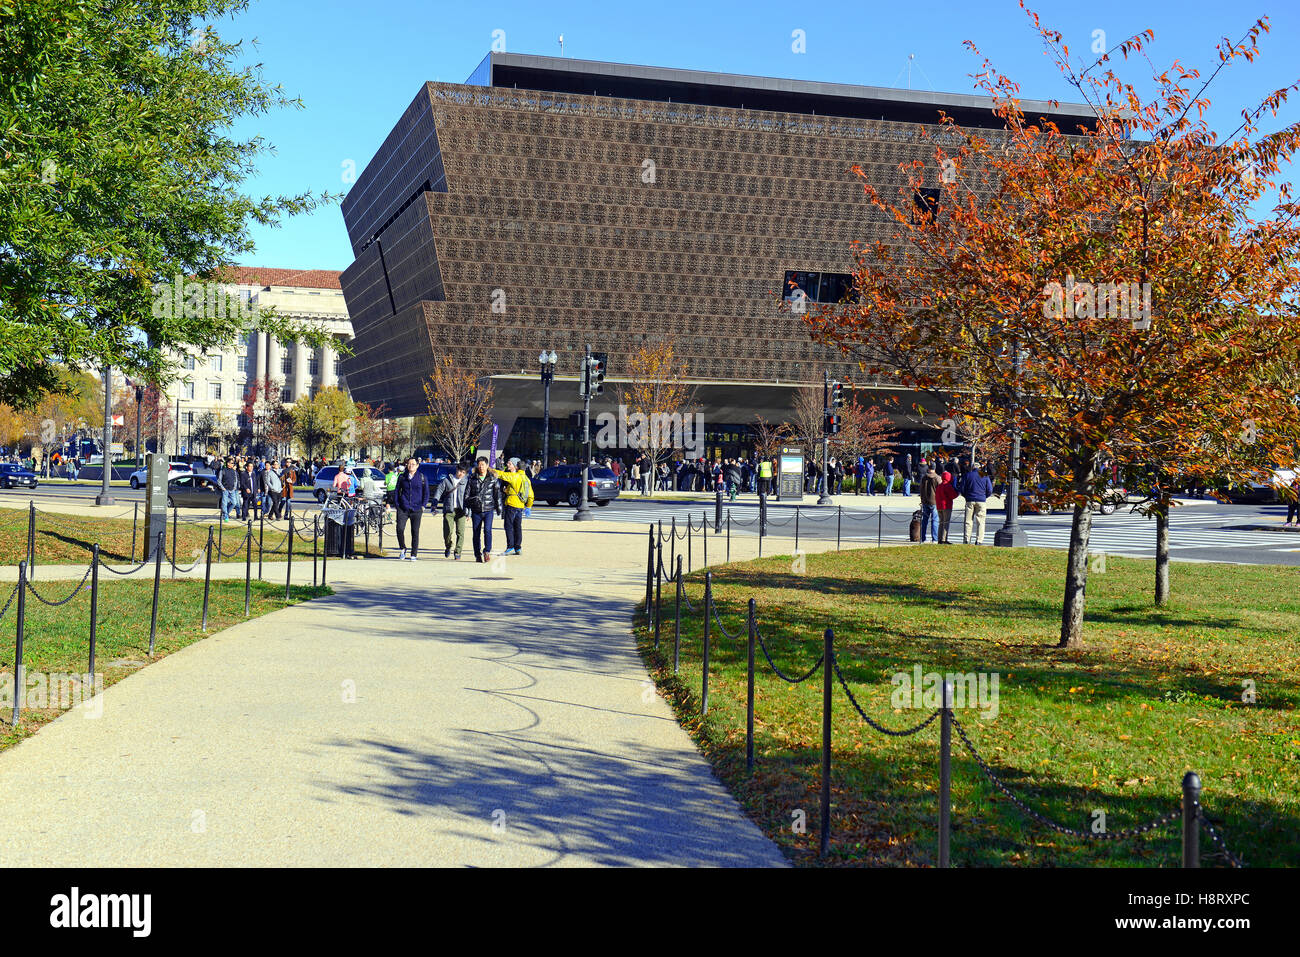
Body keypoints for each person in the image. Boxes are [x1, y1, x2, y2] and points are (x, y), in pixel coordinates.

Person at [492, 456, 534, 556]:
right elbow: (531, 495)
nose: (507, 465)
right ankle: (518, 547)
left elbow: (501, 474)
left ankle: (510, 546)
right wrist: (528, 506)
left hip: (511, 504)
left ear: (516, 466)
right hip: (520, 505)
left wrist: (490, 469)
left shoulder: (514, 476)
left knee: (508, 526)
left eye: (510, 463)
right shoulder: (526, 479)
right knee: (518, 527)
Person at [465, 456, 501, 562]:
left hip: (488, 509)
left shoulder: (492, 478)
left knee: (487, 530)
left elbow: (497, 494)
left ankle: (487, 551)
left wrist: (499, 508)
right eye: (479, 465)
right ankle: (477, 554)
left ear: (487, 466)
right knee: (476, 532)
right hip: (476, 510)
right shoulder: (472, 478)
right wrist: (468, 508)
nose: (481, 467)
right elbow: (466, 496)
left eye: (483, 465)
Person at [392, 457, 429, 561]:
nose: (410, 466)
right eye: (409, 464)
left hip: (417, 508)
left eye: (413, 464)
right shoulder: (402, 477)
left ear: (417, 465)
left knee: (415, 531)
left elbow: (426, 493)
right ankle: (403, 548)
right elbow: (397, 491)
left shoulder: (422, 477)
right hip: (403, 508)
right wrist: (397, 504)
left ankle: (414, 553)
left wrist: (423, 506)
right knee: (399, 529)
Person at [435, 463, 468, 559]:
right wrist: (434, 503)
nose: (461, 474)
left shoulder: (466, 482)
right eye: (460, 471)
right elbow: (439, 491)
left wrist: (469, 512)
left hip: (461, 511)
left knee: (460, 532)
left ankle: (458, 551)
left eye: (463, 472)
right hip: (449, 510)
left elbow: (469, 496)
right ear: (456, 469)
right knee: (447, 532)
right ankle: (448, 546)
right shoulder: (447, 480)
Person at [960, 464, 993, 545]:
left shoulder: (967, 475)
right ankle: (979, 540)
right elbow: (989, 489)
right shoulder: (984, 475)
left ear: (972, 467)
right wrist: (985, 496)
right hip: (981, 500)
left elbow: (962, 488)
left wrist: (966, 496)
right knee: (981, 521)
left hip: (970, 499)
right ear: (980, 468)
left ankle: (967, 539)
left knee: (968, 521)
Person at [919, 464, 941, 542]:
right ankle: (934, 539)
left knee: (924, 520)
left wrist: (922, 499)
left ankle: (922, 538)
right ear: (935, 468)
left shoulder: (924, 478)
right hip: (934, 501)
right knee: (935, 520)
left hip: (925, 501)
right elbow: (940, 491)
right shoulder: (938, 478)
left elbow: (921, 489)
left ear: (928, 468)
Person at [936, 469, 957, 544]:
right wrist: (957, 492)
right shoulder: (947, 485)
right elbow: (953, 495)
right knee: (946, 523)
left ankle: (939, 539)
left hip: (939, 506)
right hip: (946, 506)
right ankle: (944, 539)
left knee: (941, 522)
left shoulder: (939, 486)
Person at [218, 456, 239, 521]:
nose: (232, 464)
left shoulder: (234, 471)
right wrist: (222, 488)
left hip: (232, 490)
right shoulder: (223, 471)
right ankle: (226, 515)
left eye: (233, 463)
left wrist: (234, 487)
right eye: (231, 463)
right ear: (228, 463)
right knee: (224, 503)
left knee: (234, 503)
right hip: (225, 490)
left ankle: (226, 513)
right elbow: (219, 480)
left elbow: (235, 480)